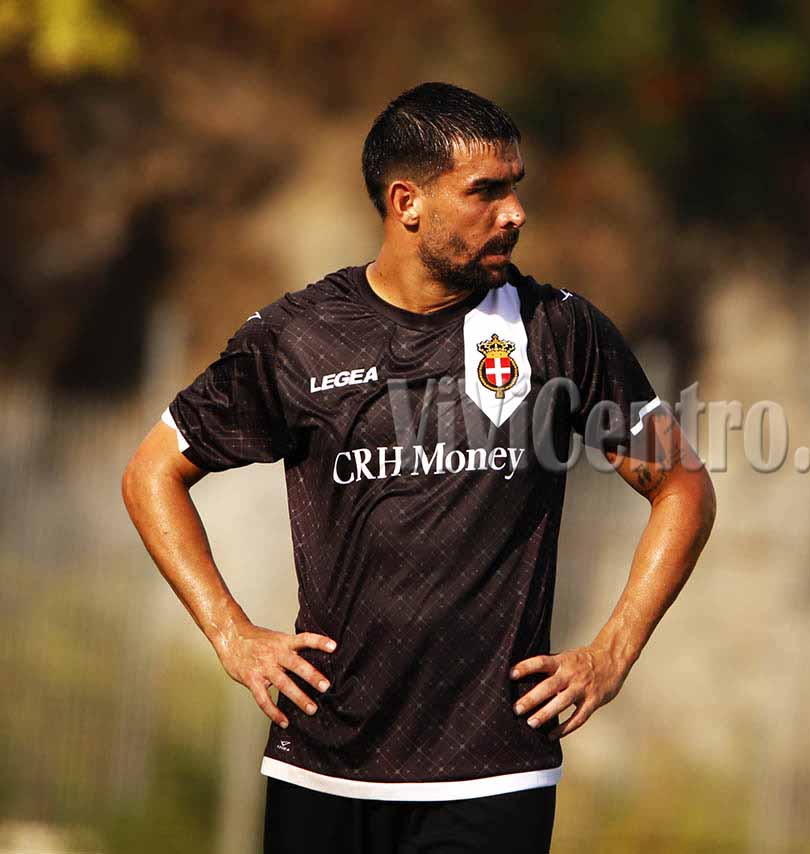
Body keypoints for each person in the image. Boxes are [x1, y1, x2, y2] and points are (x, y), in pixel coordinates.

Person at [120, 81, 716, 854]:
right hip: (323, 768)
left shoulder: (558, 331)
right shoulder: (298, 338)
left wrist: (613, 652)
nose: (515, 212)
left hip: (493, 774)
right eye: (485, 191)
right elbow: (152, 473)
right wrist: (232, 635)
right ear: (408, 203)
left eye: (515, 188)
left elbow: (681, 485)